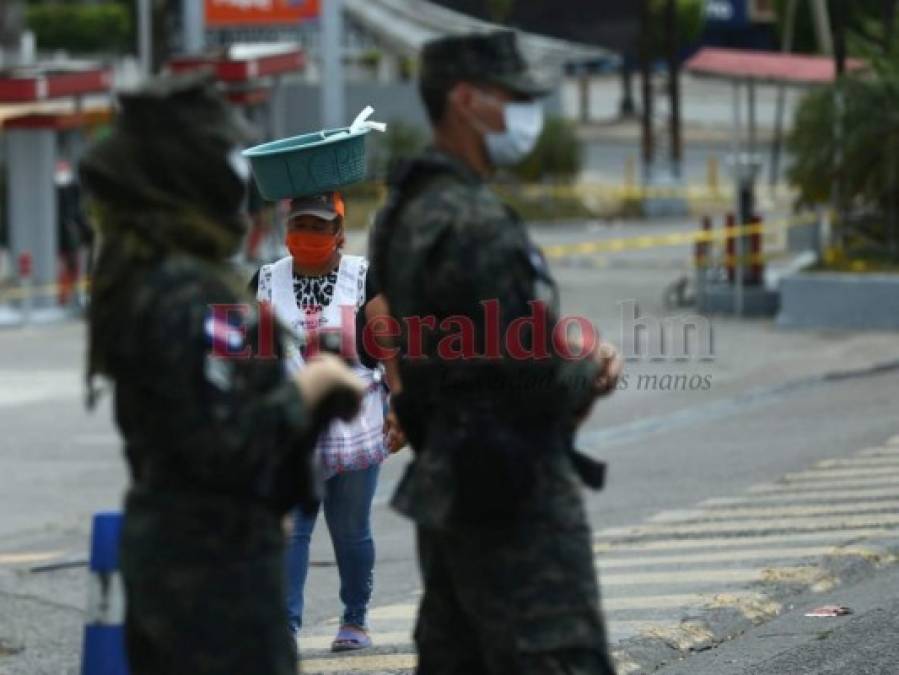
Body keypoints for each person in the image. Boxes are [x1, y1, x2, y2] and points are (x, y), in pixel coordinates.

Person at [79, 73, 366, 675]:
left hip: (186, 570)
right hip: (215, 584)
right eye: (219, 154)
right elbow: (227, 446)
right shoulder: (183, 293)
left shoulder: (144, 277)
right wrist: (310, 391)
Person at [369, 31, 623, 674]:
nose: (526, 114)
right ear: (466, 101)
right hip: (514, 502)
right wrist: (590, 369)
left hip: (449, 491)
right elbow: (532, 375)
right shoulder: (476, 223)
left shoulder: (404, 212)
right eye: (512, 97)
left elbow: (423, 354)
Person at [249, 190, 400, 650]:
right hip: (290, 423)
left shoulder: (363, 278)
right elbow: (249, 356)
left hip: (354, 421)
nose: (307, 236)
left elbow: (390, 349)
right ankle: (286, 628)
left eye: (317, 227)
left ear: (338, 232)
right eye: (299, 226)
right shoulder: (264, 279)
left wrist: (402, 407)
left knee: (351, 529)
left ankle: (354, 620)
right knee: (292, 527)